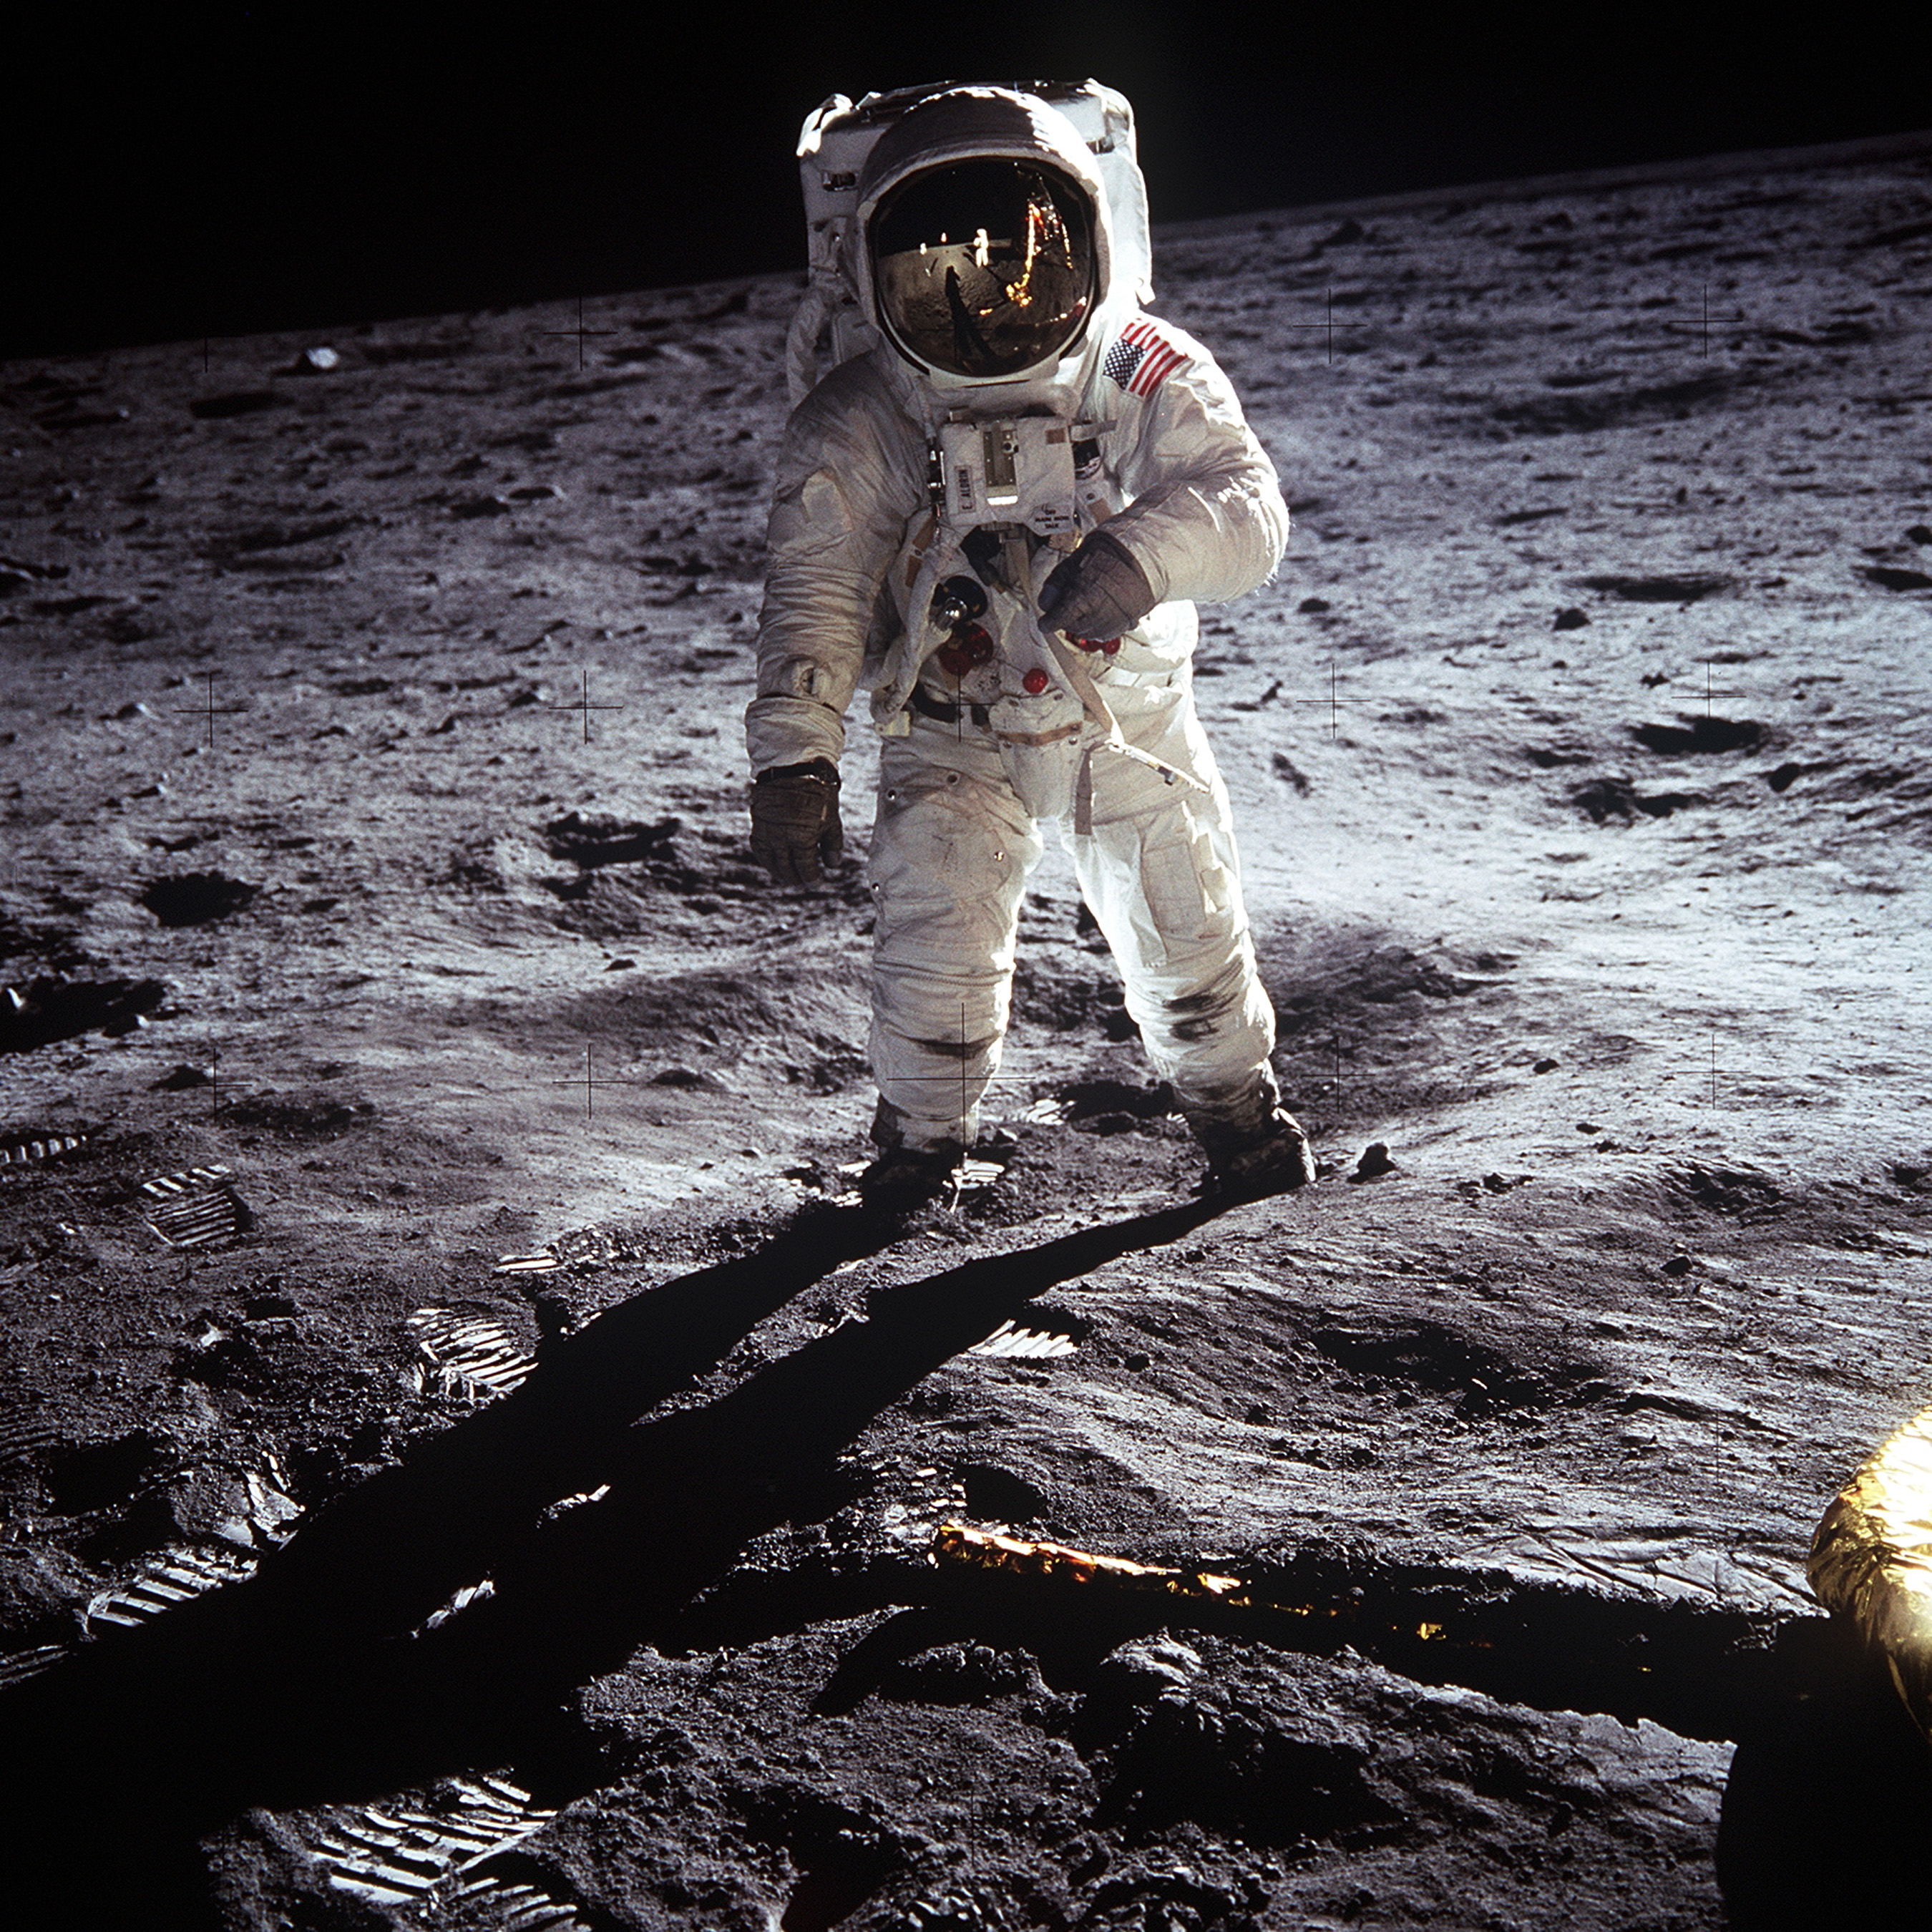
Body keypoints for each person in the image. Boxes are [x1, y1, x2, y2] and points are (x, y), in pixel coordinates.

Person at [746, 82, 1313, 1208]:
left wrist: (1141, 558)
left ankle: (1240, 1117)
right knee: (935, 960)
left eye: (1024, 260)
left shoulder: (1136, 367)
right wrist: (794, 756)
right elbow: (814, 587)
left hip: (1121, 717)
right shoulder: (867, 415)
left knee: (1186, 937)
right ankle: (917, 1150)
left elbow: (1247, 505)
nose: (989, 306)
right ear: (874, 273)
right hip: (947, 726)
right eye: (934, 273)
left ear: (1087, 239)